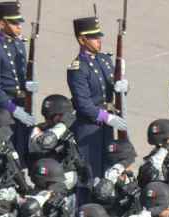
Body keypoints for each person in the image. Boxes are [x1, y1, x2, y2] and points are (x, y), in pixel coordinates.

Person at [66, 16, 127, 200]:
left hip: (106, 128)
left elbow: (113, 86)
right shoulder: (77, 68)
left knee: (107, 173)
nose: (98, 40)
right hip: (88, 128)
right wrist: (107, 117)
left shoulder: (105, 60)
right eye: (93, 37)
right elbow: (83, 104)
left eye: (99, 36)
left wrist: (124, 87)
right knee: (89, 175)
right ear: (81, 39)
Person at [0, 2, 37, 158]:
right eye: (14, 23)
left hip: (22, 105)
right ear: (1, 23)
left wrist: (29, 84)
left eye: (19, 22)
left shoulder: (19, 43)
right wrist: (14, 110)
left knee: (23, 150)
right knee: (7, 155)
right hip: (4, 110)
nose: (19, 26)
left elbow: (22, 74)